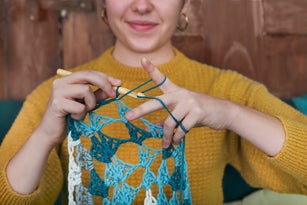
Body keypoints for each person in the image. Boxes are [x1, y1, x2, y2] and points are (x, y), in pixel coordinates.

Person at [1, 0, 307, 204]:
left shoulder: (226, 89)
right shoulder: (57, 95)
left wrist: (230, 114)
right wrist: (44, 136)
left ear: (185, 3)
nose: (143, 5)